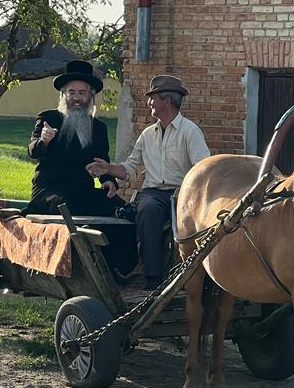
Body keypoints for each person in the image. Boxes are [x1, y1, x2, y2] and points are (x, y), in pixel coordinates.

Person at [87, 74, 209, 289]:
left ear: (167, 101)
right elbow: (130, 168)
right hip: (153, 193)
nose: (148, 102)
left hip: (184, 193)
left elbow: (203, 168)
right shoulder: (147, 134)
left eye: (152, 98)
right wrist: (108, 168)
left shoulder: (190, 132)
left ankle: (190, 275)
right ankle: (152, 277)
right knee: (148, 208)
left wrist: (185, 193)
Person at [26, 59, 125, 217]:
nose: (76, 98)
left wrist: (108, 180)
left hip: (82, 191)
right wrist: (43, 141)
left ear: (90, 96)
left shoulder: (99, 128)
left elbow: (102, 161)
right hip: (49, 191)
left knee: (121, 209)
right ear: (63, 95)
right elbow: (32, 151)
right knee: (63, 206)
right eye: (71, 92)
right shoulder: (48, 118)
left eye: (82, 93)